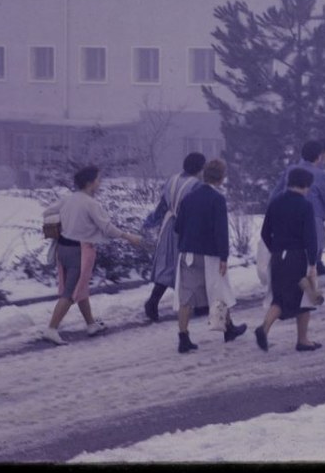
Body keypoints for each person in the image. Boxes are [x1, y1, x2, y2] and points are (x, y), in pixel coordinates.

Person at [41, 166, 142, 345]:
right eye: (98, 180)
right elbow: (107, 228)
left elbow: (47, 212)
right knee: (71, 292)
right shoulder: (91, 204)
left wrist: (65, 223)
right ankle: (51, 329)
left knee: (80, 288)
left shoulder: (68, 199)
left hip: (62, 248)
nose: (99, 183)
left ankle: (91, 324)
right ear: (89, 183)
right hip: (79, 251)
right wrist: (129, 237)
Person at [173, 159, 247, 353]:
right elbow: (220, 231)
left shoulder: (188, 198)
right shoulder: (217, 199)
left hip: (188, 253)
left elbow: (177, 226)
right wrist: (224, 256)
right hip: (210, 254)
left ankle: (183, 337)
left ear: (204, 175)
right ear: (221, 178)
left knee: (186, 297)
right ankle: (227, 329)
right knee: (219, 291)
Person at [256, 167, 323, 352]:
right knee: (304, 297)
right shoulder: (305, 205)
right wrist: (312, 263)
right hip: (297, 256)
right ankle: (303, 340)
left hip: (278, 257)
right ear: (306, 185)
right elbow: (310, 237)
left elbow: (264, 232)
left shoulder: (275, 202)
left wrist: (275, 248)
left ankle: (264, 328)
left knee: (280, 297)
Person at [141, 151, 206, 322]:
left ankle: (153, 302)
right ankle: (200, 306)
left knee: (169, 265)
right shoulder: (197, 185)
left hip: (170, 226)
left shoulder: (172, 180)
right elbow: (197, 211)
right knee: (192, 265)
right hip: (186, 228)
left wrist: (151, 222)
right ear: (200, 168)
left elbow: (162, 205)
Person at [269, 139, 325, 276]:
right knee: (313, 245)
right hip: (312, 217)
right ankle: (309, 273)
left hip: (289, 216)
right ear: (319, 156)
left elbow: (276, 192)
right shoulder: (320, 175)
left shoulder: (290, 170)